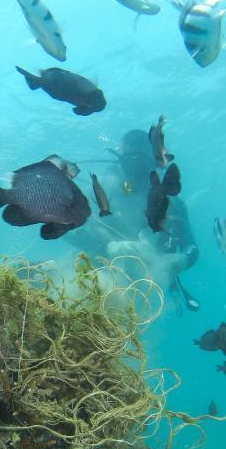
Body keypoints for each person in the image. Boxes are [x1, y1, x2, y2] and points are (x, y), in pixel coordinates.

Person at [67, 128, 200, 312]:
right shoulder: (102, 190)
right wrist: (109, 247)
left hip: (139, 292)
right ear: (121, 160)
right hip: (88, 275)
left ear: (155, 162)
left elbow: (191, 246)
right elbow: (68, 229)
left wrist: (182, 259)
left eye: (142, 163)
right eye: (131, 162)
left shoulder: (173, 204)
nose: (137, 171)